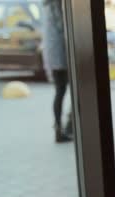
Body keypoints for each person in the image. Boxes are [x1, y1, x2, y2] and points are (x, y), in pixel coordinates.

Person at [42, 0, 72, 143]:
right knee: (63, 90)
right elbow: (63, 25)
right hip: (60, 52)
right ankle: (65, 127)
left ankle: (61, 128)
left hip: (53, 51)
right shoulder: (55, 4)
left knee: (60, 90)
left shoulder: (48, 4)